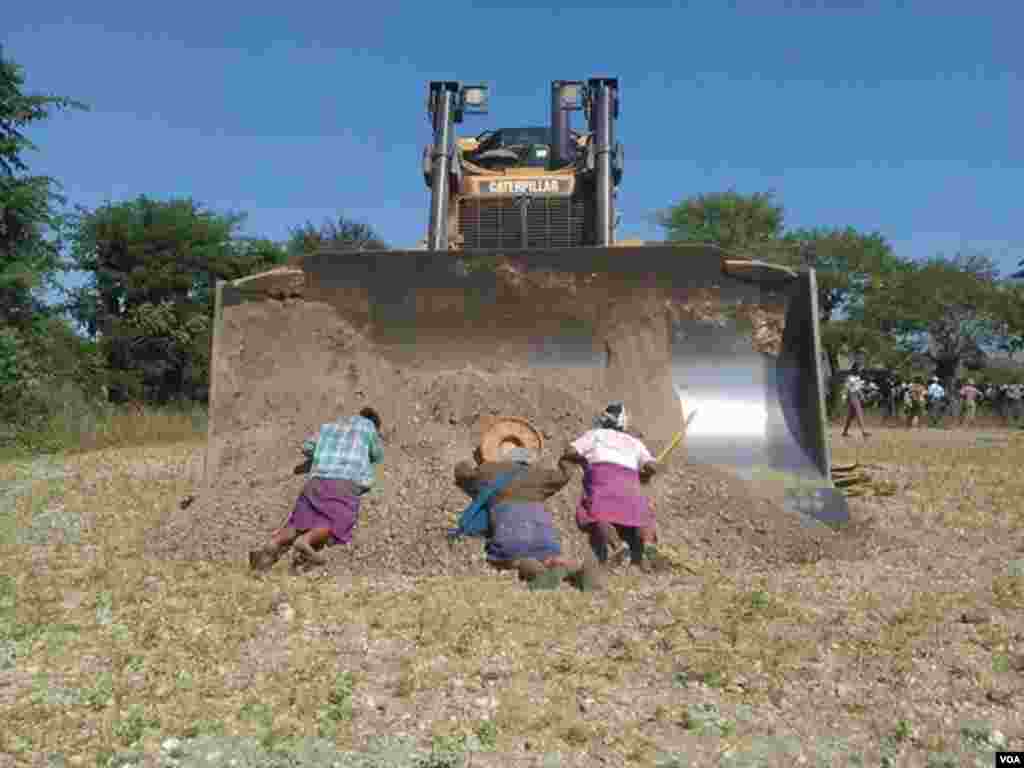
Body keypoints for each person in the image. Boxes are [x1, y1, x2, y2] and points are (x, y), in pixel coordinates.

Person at [249, 407, 384, 571]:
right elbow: (377, 455)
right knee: (335, 522)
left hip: (316, 481)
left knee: (299, 522)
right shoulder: (368, 427)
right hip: (345, 483)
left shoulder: (330, 426)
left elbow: (306, 447)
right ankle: (305, 542)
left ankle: (271, 546)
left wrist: (325, 452)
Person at [452, 446, 596, 591]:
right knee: (550, 556)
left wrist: (463, 464)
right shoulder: (539, 474)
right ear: (528, 460)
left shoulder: (489, 469)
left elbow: (465, 474)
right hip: (540, 526)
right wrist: (567, 460)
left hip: (510, 523)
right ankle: (576, 569)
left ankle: (536, 572)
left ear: (505, 457)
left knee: (515, 557)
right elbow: (563, 476)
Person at [561, 402, 660, 570]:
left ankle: (618, 546)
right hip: (630, 484)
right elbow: (651, 466)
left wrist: (580, 457)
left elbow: (570, 451)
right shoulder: (635, 442)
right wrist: (646, 473)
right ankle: (649, 545)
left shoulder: (595, 435)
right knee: (643, 515)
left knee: (595, 513)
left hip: (605, 481)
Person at [841, 367, 871, 439]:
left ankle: (845, 432)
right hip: (852, 395)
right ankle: (864, 431)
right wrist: (844, 398)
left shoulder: (857, 378)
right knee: (859, 412)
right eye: (859, 370)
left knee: (850, 416)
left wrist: (862, 396)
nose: (860, 371)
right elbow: (846, 388)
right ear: (855, 370)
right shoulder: (850, 378)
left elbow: (859, 389)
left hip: (856, 396)